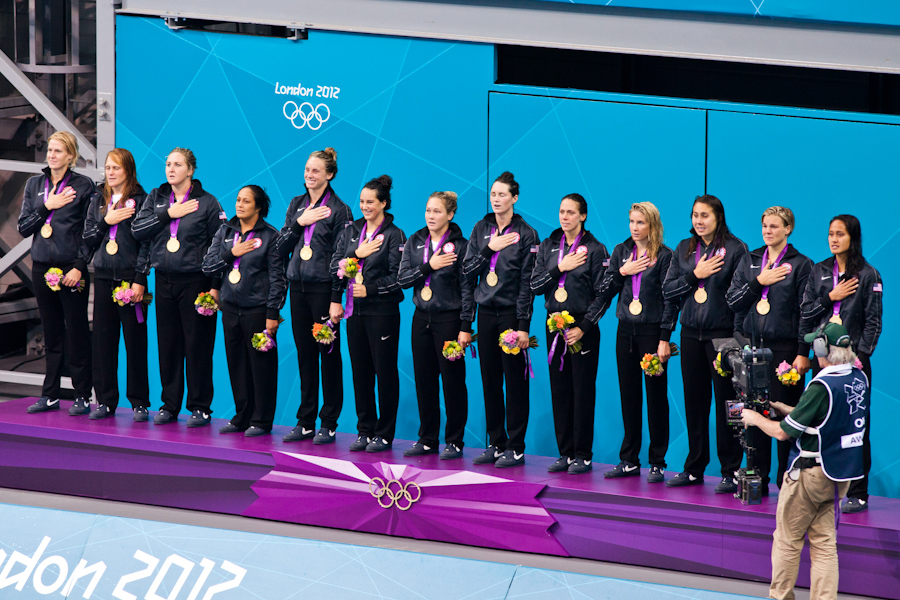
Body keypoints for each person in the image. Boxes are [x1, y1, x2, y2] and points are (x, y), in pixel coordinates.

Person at [740, 322, 868, 600]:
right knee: (824, 546)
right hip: (838, 476)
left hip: (809, 478)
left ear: (823, 349)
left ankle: (780, 596)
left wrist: (755, 418)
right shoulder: (858, 379)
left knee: (788, 541)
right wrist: (781, 408)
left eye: (815, 345)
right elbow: (821, 419)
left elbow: (782, 433)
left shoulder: (821, 385)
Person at [132, 147, 225, 427]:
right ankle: (169, 405)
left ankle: (200, 407)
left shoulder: (208, 203)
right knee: (168, 346)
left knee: (197, 346)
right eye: (167, 164)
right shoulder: (157, 197)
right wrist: (167, 214)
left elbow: (219, 247)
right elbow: (138, 230)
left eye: (177, 164)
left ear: (191, 170)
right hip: (164, 281)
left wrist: (214, 287)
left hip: (196, 283)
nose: (170, 169)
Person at [663, 194, 747, 492]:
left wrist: (737, 342)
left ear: (718, 217)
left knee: (731, 405)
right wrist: (693, 275)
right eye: (695, 215)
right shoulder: (684, 249)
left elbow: (741, 298)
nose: (698, 221)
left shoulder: (736, 249)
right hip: (690, 335)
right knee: (694, 404)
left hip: (723, 338)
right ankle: (694, 467)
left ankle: (732, 470)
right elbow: (668, 290)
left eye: (705, 215)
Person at [726, 206, 813, 493]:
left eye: (774, 226)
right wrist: (758, 282)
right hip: (753, 348)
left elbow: (806, 313)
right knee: (755, 416)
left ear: (788, 229)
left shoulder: (801, 264)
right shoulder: (750, 261)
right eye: (764, 226)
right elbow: (733, 301)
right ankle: (758, 480)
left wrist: (803, 351)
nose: (767, 231)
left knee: (785, 417)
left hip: (785, 350)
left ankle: (785, 481)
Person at [800, 215, 881, 513]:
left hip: (854, 365)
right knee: (822, 425)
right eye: (830, 234)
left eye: (840, 234)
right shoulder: (820, 270)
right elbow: (806, 311)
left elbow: (873, 323)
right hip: (823, 361)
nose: (834, 239)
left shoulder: (869, 275)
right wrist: (830, 297)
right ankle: (823, 486)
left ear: (853, 237)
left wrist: (860, 358)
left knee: (856, 428)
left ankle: (858, 492)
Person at [275, 148, 353, 444]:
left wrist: (336, 296)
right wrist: (300, 223)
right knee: (305, 356)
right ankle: (305, 420)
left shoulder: (341, 209)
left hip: (324, 291)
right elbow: (281, 247)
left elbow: (343, 257)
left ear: (329, 175)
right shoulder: (297, 204)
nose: (309, 175)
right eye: (307, 169)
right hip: (298, 288)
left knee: (328, 356)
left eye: (316, 171)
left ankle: (329, 421)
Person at [463, 172, 539, 468]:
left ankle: (516, 447)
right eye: (493, 194)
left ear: (514, 198)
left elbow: (527, 283)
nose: (496, 199)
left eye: (502, 195)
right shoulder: (481, 228)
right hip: (486, 313)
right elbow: (468, 271)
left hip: (511, 314)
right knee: (490, 380)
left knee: (515, 383)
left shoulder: (527, 233)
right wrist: (488, 249)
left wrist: (523, 325)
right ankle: (496, 442)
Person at [599, 202, 677, 482]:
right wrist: (622, 272)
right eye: (631, 221)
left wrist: (664, 338)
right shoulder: (621, 252)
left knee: (656, 397)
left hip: (651, 333)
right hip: (625, 331)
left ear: (652, 225)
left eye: (640, 222)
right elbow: (605, 289)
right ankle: (629, 459)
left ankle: (657, 461)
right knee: (629, 396)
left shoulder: (665, 256)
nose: (634, 227)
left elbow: (671, 301)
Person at [531, 193, 608, 474]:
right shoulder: (549, 246)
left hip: (581, 327)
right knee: (560, 391)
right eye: (562, 211)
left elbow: (603, 295)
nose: (565, 217)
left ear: (583, 216)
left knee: (582, 391)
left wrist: (583, 327)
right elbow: (535, 285)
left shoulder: (595, 249)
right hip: (553, 324)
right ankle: (564, 453)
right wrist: (559, 268)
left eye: (571, 212)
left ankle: (582, 455)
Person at [18, 130, 95, 415]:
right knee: (51, 333)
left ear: (70, 156)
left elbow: (91, 232)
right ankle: (49, 394)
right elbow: (24, 227)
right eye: (50, 150)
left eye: (58, 151)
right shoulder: (35, 184)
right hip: (41, 267)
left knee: (76, 332)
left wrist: (79, 266)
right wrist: (46, 206)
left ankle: (83, 395)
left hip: (71, 269)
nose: (51, 155)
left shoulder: (83, 186)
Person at [203, 185, 286, 436]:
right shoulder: (225, 230)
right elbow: (208, 266)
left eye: (246, 201)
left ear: (258, 207)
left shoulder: (272, 236)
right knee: (236, 364)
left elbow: (279, 278)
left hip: (258, 311)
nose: (239, 205)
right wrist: (231, 253)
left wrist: (272, 313)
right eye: (238, 200)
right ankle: (242, 416)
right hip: (230, 308)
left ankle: (261, 420)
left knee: (261, 368)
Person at [398, 191, 474, 460]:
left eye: (437, 211)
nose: (431, 216)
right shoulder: (415, 240)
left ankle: (454, 441)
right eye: (428, 210)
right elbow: (403, 280)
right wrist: (428, 266)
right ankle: (428, 438)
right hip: (421, 318)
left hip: (449, 321)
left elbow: (468, 289)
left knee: (453, 382)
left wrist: (466, 325)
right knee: (424, 381)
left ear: (450, 215)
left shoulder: (462, 246)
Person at [332, 175, 406, 452]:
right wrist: (336, 298)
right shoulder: (352, 232)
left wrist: (371, 289)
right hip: (354, 312)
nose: (365, 206)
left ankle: (384, 434)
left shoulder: (396, 235)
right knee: (360, 372)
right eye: (362, 201)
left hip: (382, 313)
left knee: (384, 372)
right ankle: (365, 430)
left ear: (384, 203)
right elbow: (335, 266)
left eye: (371, 202)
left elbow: (399, 279)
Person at [82, 148, 151, 420]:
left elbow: (147, 243)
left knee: (135, 343)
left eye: (116, 168)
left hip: (130, 280)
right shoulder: (98, 198)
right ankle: (106, 400)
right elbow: (87, 237)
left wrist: (139, 280)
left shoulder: (142, 200)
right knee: (103, 342)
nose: (110, 173)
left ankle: (139, 402)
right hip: (103, 277)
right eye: (108, 168)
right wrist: (105, 221)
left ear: (128, 171)